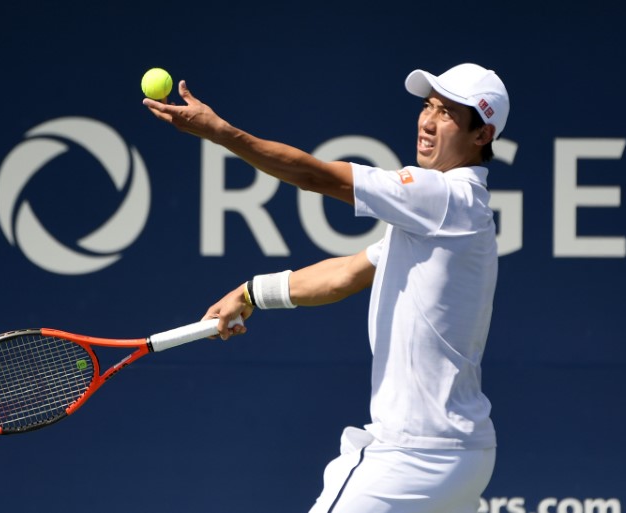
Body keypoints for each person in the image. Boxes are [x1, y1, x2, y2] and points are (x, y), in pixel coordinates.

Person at [143, 62, 510, 513]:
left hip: (412, 456)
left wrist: (221, 133)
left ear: (482, 135)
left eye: (448, 114)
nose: (428, 122)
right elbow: (346, 274)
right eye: (428, 106)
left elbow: (317, 175)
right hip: (465, 456)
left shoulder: (442, 197)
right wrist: (251, 292)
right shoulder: (450, 214)